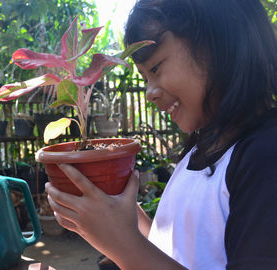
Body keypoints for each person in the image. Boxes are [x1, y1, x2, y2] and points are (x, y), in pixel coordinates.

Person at [45, 0, 277, 269]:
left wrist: (122, 243)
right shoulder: (198, 149)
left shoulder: (265, 158)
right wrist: (115, 220)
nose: (149, 92)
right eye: (144, 78)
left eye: (155, 68)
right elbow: (171, 247)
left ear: (222, 43)